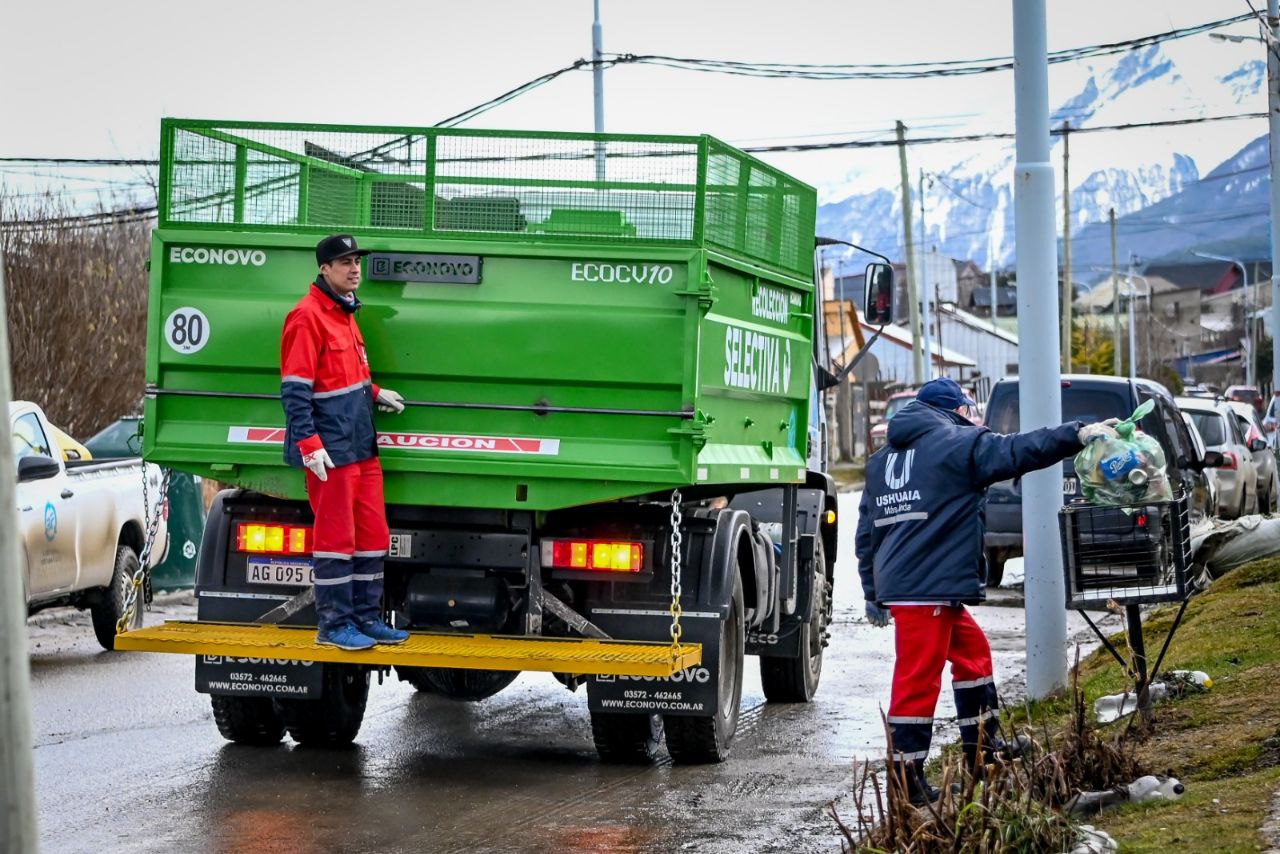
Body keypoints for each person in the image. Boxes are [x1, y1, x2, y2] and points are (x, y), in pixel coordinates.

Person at [855, 376, 1113, 805]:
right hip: (927, 587)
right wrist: (1076, 434)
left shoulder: (881, 461)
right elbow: (1016, 450)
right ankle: (906, 779)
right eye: (967, 413)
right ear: (956, 412)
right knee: (916, 680)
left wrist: (871, 590)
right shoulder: (956, 443)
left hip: (914, 585)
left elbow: (867, 532)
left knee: (973, 654)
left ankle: (983, 748)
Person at [280, 234, 411, 651]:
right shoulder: (306, 317)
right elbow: (295, 390)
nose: (354, 268)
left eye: (356, 261)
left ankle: (366, 619)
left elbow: (343, 377)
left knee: (372, 535)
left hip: (361, 446)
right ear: (323, 269)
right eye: (344, 262)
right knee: (335, 540)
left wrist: (374, 393)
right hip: (331, 452)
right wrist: (309, 444)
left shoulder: (346, 313)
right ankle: (333, 626)